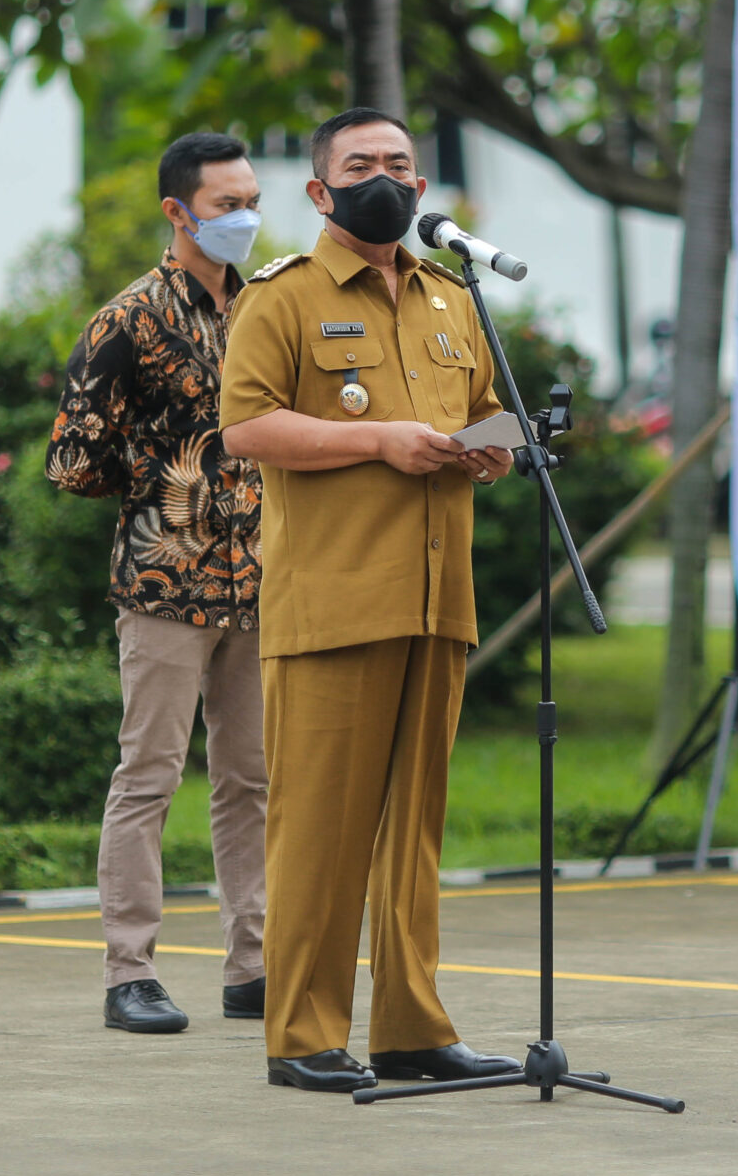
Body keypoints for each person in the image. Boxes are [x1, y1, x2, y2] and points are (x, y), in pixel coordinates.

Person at [218, 107, 521, 1095]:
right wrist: (379, 440)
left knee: (413, 832)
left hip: (437, 597)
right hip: (336, 600)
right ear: (320, 190)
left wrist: (489, 451)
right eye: (360, 165)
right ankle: (302, 1035)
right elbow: (247, 429)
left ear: (421, 187)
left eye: (398, 163)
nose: (383, 178)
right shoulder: (284, 297)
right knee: (320, 828)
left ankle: (410, 1029)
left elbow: (482, 412)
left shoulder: (451, 297)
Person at [46, 131, 270, 1034]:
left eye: (251, 201)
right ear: (178, 212)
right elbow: (71, 458)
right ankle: (129, 972)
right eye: (226, 205)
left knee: (252, 779)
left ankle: (253, 966)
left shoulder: (269, 306)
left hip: (261, 581)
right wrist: (158, 495)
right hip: (166, 584)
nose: (244, 218)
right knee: (149, 775)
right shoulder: (128, 319)